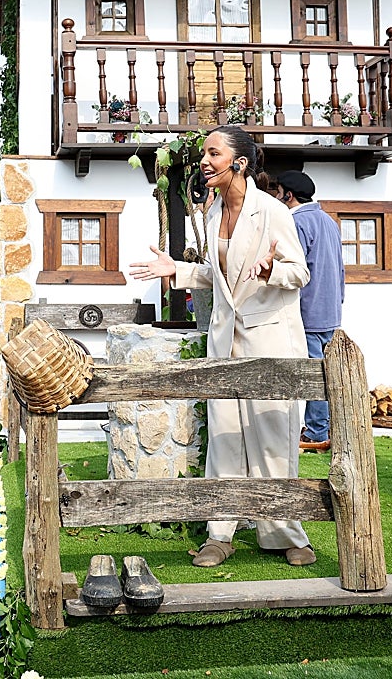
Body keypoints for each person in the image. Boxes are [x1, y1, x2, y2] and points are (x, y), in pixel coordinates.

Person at [129, 124, 315, 567]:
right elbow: (217, 277)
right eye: (204, 154)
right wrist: (175, 268)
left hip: (270, 343)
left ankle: (283, 533)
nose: (205, 162)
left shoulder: (273, 212)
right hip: (224, 342)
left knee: (274, 439)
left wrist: (272, 271)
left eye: (214, 153)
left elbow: (300, 273)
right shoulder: (212, 216)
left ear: (240, 162)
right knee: (226, 439)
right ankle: (220, 533)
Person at [275, 170, 345, 451]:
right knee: (328, 374)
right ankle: (322, 428)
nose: (277, 197)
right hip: (330, 309)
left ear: (288, 195)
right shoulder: (329, 221)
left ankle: (317, 433)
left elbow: (295, 271)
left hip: (308, 309)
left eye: (278, 192)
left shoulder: (297, 223)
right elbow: (340, 269)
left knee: (315, 375)